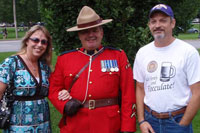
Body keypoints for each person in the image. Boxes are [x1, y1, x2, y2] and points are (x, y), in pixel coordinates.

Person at [49, 6, 136, 133]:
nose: (91, 35)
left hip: (108, 125)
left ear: (101, 32)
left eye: (95, 30)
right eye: (85, 32)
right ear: (79, 35)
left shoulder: (117, 55)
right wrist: (65, 104)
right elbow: (53, 89)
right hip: (76, 124)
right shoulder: (65, 58)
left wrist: (127, 127)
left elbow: (128, 94)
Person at [133, 4, 200, 133]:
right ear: (149, 25)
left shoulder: (188, 52)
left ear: (172, 23)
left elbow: (197, 92)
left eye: (163, 20)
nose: (157, 25)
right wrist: (141, 120)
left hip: (177, 120)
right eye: (153, 21)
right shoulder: (142, 53)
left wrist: (182, 124)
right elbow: (140, 88)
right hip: (150, 121)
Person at [0, 25, 53, 132]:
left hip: (43, 125)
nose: (39, 44)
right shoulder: (11, 63)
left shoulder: (45, 67)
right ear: (27, 41)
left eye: (44, 42)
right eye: (36, 40)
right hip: (18, 125)